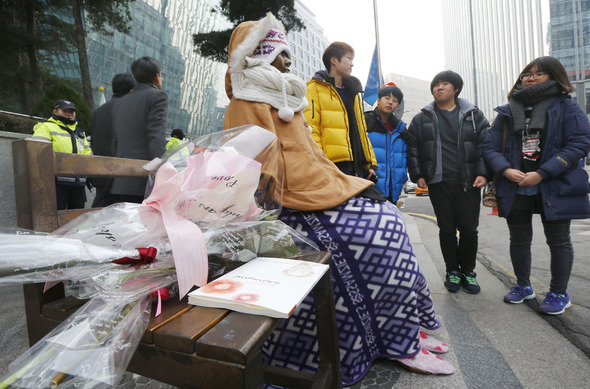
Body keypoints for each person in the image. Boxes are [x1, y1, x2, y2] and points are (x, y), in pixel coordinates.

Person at [223, 13, 454, 385]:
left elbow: (316, 158)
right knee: (379, 233)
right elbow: (258, 173)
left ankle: (403, 329)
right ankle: (394, 336)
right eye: (281, 55)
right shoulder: (246, 103)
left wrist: (356, 184)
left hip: (320, 192)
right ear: (259, 57)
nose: (289, 62)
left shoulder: (289, 98)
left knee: (391, 221)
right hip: (289, 208)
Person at [483, 56, 590, 315]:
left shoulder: (566, 107)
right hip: (516, 185)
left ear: (554, 77)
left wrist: (543, 173)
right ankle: (523, 286)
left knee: (559, 241)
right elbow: (489, 146)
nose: (530, 78)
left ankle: (558, 293)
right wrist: (506, 169)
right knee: (519, 240)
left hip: (553, 184)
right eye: (526, 74)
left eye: (539, 74)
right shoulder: (508, 111)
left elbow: (579, 143)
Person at [406, 70, 489, 294]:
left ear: (456, 89)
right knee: (446, 229)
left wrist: (484, 172)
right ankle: (452, 270)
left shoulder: (473, 115)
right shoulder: (422, 117)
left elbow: (485, 145)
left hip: (468, 181)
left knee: (469, 230)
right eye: (436, 85)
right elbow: (412, 149)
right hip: (438, 181)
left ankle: (468, 272)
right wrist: (418, 175)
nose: (439, 88)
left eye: (444, 84)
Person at [304, 41, 379, 184]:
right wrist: (320, 163)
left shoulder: (354, 93)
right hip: (331, 165)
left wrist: (370, 164)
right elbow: (311, 130)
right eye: (349, 58)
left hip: (356, 164)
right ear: (334, 60)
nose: (352, 64)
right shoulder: (314, 89)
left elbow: (362, 131)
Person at [111, 56, 167, 203]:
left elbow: (115, 140)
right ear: (156, 77)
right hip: (143, 181)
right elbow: (156, 136)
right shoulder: (157, 96)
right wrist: (161, 172)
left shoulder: (122, 101)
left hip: (121, 179)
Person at [32, 99, 92, 210]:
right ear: (55, 112)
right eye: (65, 111)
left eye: (72, 112)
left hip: (78, 184)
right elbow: (38, 153)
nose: (69, 114)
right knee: (55, 217)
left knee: (77, 219)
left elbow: (87, 155)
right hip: (55, 184)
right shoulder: (45, 127)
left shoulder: (80, 132)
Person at [89, 73, 135, 207]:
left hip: (100, 173)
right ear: (131, 91)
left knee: (99, 215)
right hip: (123, 177)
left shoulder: (98, 112)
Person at [364, 83, 408, 204]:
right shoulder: (365, 121)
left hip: (394, 187)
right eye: (387, 98)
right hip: (370, 185)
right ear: (378, 100)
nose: (390, 103)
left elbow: (404, 155)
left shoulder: (400, 129)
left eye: (395, 100)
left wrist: (403, 175)